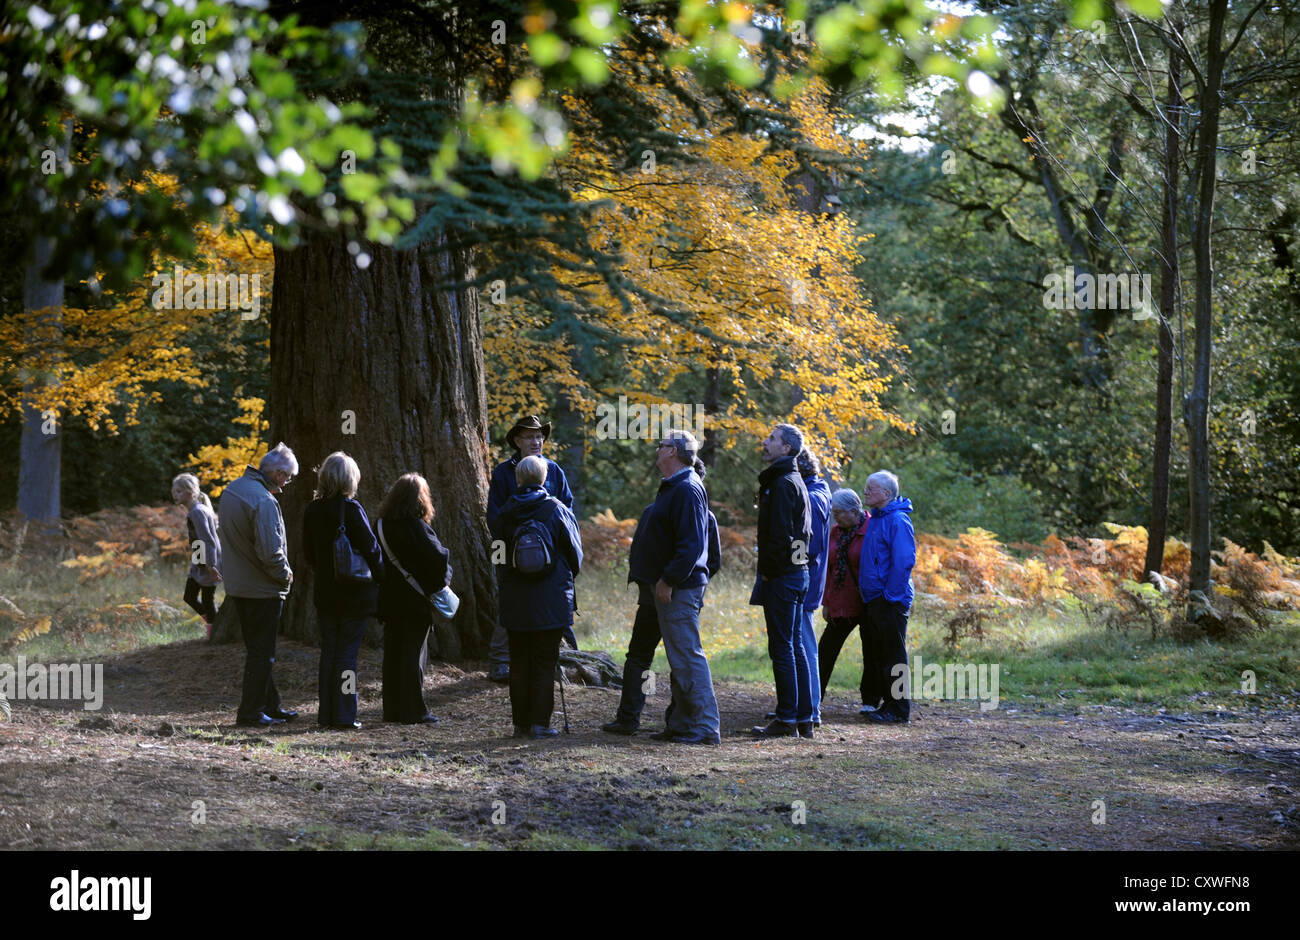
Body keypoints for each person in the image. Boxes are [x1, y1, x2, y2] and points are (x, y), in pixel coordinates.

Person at [601, 430, 721, 745]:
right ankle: (679, 724)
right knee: (671, 658)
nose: (657, 449)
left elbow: (692, 546)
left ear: (674, 452)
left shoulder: (687, 488)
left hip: (676, 588)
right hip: (661, 589)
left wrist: (668, 580)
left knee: (687, 657)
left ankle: (705, 726)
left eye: (662, 445)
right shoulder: (674, 488)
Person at [489, 455, 582, 739]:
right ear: (544, 479)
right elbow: (575, 554)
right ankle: (541, 724)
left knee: (518, 662)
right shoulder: (557, 509)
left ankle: (520, 725)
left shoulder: (504, 513)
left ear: (517, 479)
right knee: (544, 662)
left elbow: (498, 555)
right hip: (551, 599)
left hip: (516, 599)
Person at [485, 414, 577, 682]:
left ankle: (563, 656)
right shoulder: (503, 472)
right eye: (529, 436)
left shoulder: (554, 470)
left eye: (539, 436)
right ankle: (500, 661)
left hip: (551, 555)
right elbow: (494, 517)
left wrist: (561, 550)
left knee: (554, 601)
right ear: (517, 440)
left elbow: (567, 511)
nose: (536, 441)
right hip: (511, 551)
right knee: (509, 599)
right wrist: (504, 554)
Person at [302, 452, 384, 731]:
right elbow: (372, 549)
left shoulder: (311, 510)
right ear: (350, 479)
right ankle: (345, 714)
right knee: (347, 654)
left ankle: (326, 713)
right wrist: (382, 577)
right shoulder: (351, 509)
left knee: (329, 651)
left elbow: (308, 553)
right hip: (354, 594)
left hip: (325, 592)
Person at [218, 443, 298, 728]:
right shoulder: (263, 500)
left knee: (258, 649)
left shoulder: (233, 489)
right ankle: (250, 712)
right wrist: (285, 574)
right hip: (261, 588)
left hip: (240, 584)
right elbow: (270, 552)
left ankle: (271, 705)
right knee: (262, 653)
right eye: (288, 477)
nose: (288, 482)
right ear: (277, 473)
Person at [750, 423, 814, 738]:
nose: (766, 441)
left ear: (786, 448)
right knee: (795, 646)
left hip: (785, 577)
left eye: (772, 439)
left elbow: (780, 536)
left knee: (784, 648)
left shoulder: (782, 482)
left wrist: (770, 572)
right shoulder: (796, 480)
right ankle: (802, 718)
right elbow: (803, 536)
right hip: (796, 575)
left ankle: (788, 719)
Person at [376, 473, 450, 726]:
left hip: (388, 600)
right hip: (415, 601)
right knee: (413, 656)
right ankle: (413, 710)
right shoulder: (417, 527)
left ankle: (392, 709)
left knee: (393, 655)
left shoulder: (381, 525)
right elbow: (438, 561)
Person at [857, 470, 916, 724]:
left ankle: (900, 709)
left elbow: (904, 561)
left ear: (887, 494)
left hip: (890, 599)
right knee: (881, 654)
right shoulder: (878, 518)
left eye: (871, 488)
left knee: (894, 655)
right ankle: (887, 705)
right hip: (875, 598)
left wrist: (890, 596)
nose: (866, 492)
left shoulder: (897, 520)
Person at [817, 488, 874, 711]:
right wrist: (827, 602)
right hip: (841, 601)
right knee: (825, 649)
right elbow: (829, 569)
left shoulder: (872, 529)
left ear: (854, 511)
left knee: (872, 650)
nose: (835, 516)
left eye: (839, 512)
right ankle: (814, 698)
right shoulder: (835, 532)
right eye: (834, 512)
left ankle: (870, 701)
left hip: (867, 601)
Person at [796, 447, 831, 727]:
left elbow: (813, 545)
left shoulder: (813, 497)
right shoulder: (814, 491)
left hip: (803, 584)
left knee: (805, 646)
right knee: (800, 644)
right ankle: (800, 704)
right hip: (804, 581)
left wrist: (791, 567)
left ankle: (811, 709)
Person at [172, 472, 222, 640]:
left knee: (207, 599)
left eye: (179, 491)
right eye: (174, 491)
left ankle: (213, 633)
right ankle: (214, 624)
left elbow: (208, 540)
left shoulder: (197, 512)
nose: (175, 494)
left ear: (190, 492)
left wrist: (211, 565)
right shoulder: (195, 510)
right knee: (190, 596)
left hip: (208, 558)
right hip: (200, 557)